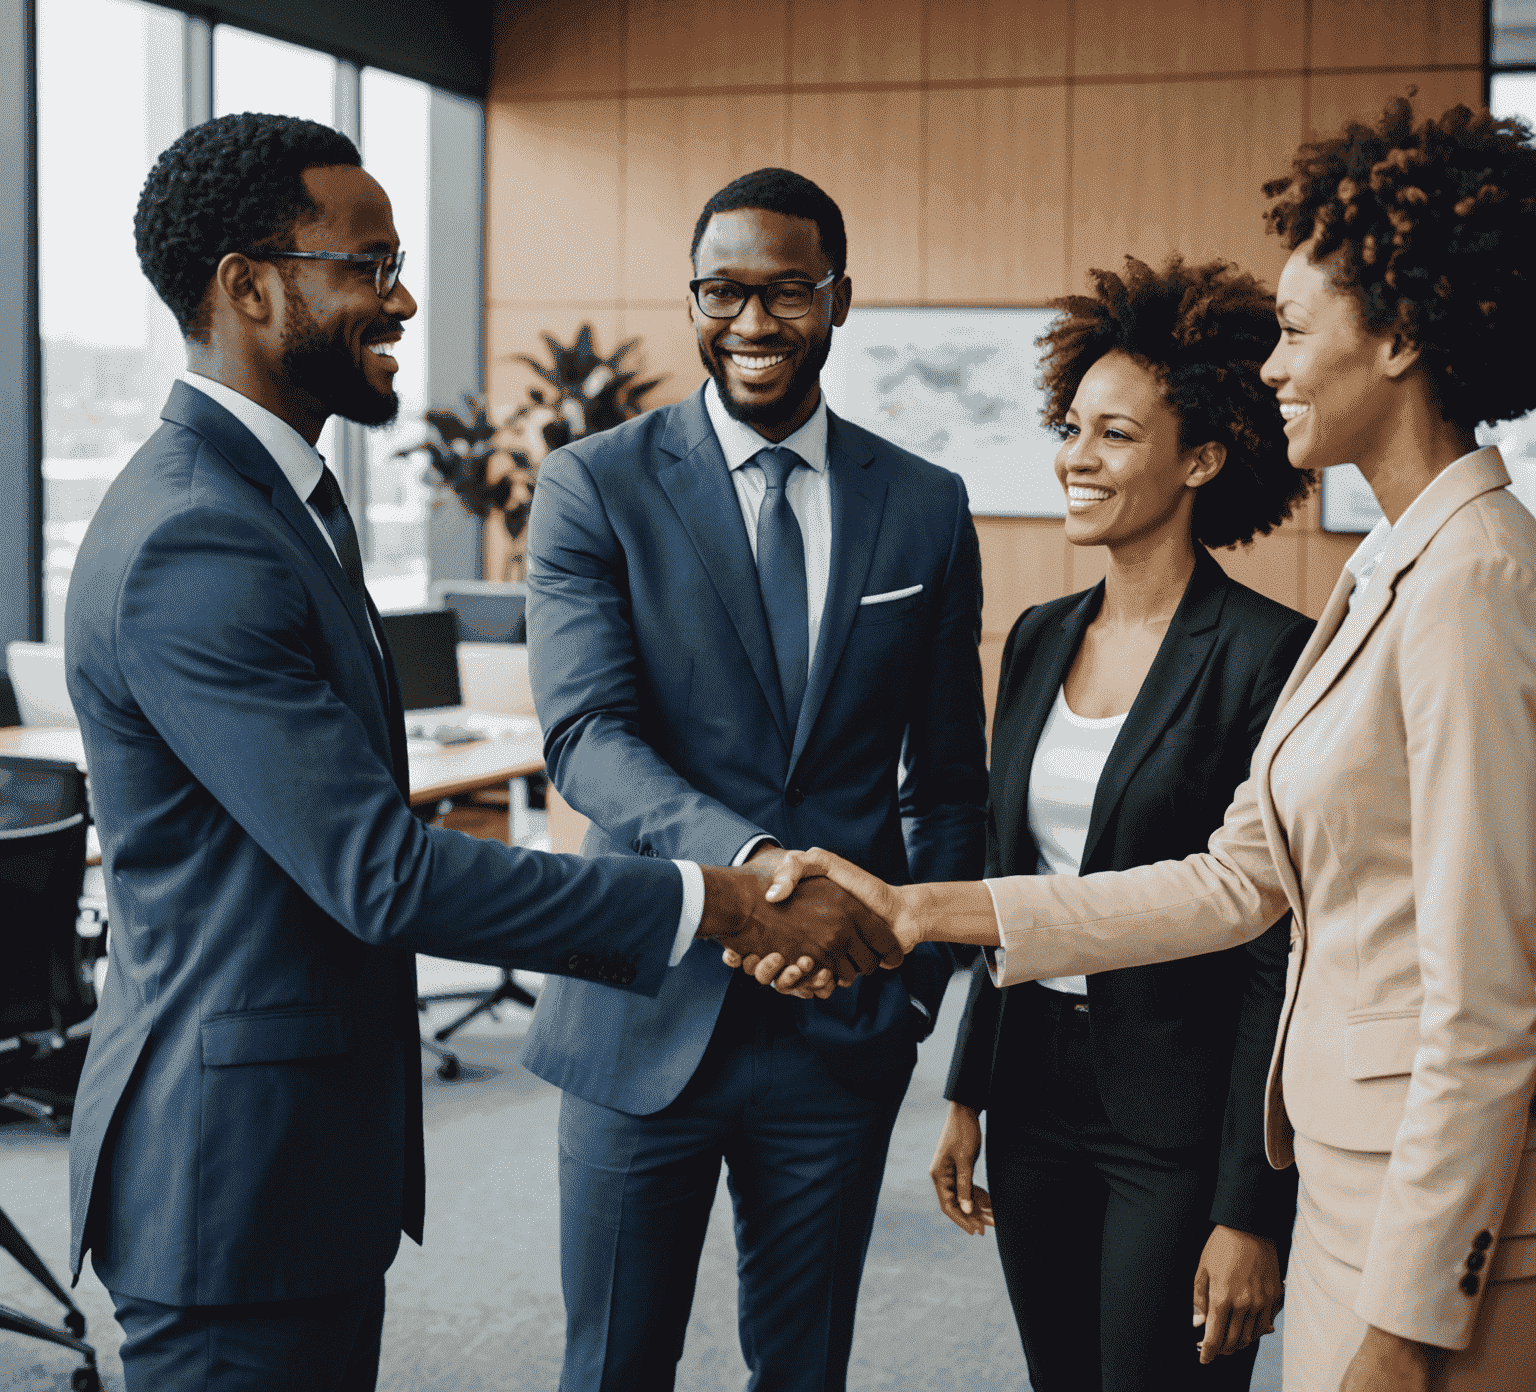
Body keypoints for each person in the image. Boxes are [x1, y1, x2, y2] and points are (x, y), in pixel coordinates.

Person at [64, 116, 898, 1392]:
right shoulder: (198, 536)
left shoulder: (273, 504)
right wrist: (721, 902)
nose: (401, 298)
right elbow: (384, 875)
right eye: (368, 264)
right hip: (228, 1181)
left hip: (297, 1174)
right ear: (247, 284)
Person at [747, 101, 1536, 1392]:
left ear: (1397, 336)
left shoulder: (1476, 583)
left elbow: (1487, 1001)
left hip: (1401, 1218)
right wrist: (918, 912)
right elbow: (1236, 880)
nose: (1275, 365)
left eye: (1293, 330)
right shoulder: (1394, 568)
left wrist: (1405, 1318)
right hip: (1333, 1168)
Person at [520, 167, 988, 1390]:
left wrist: (919, 983)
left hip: (838, 1026)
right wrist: (758, 866)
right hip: (642, 1004)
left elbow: (948, 780)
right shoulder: (594, 487)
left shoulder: (926, 509)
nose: (755, 322)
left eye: (788, 291)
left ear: (841, 299)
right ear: (692, 298)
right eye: (724, 290)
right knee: (614, 1363)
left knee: (803, 1368)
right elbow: (587, 737)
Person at [933, 255, 1313, 1390]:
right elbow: (1016, 878)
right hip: (1035, 1084)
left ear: (1201, 458)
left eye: (1114, 436)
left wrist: (1254, 1206)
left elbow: (1269, 944)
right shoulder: (1041, 636)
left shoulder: (1267, 656)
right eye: (1071, 427)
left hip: (1181, 1105)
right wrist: (967, 1089)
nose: (1075, 459)